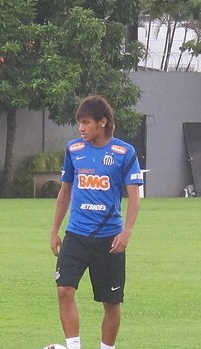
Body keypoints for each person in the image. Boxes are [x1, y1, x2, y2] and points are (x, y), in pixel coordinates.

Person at [49, 95, 143, 349]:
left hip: (109, 239)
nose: (81, 128)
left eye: (86, 122)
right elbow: (64, 193)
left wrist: (127, 232)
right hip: (76, 234)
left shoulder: (124, 152)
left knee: (111, 302)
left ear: (102, 122)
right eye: (79, 122)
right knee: (64, 290)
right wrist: (54, 230)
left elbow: (135, 198)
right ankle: (73, 347)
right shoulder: (74, 150)